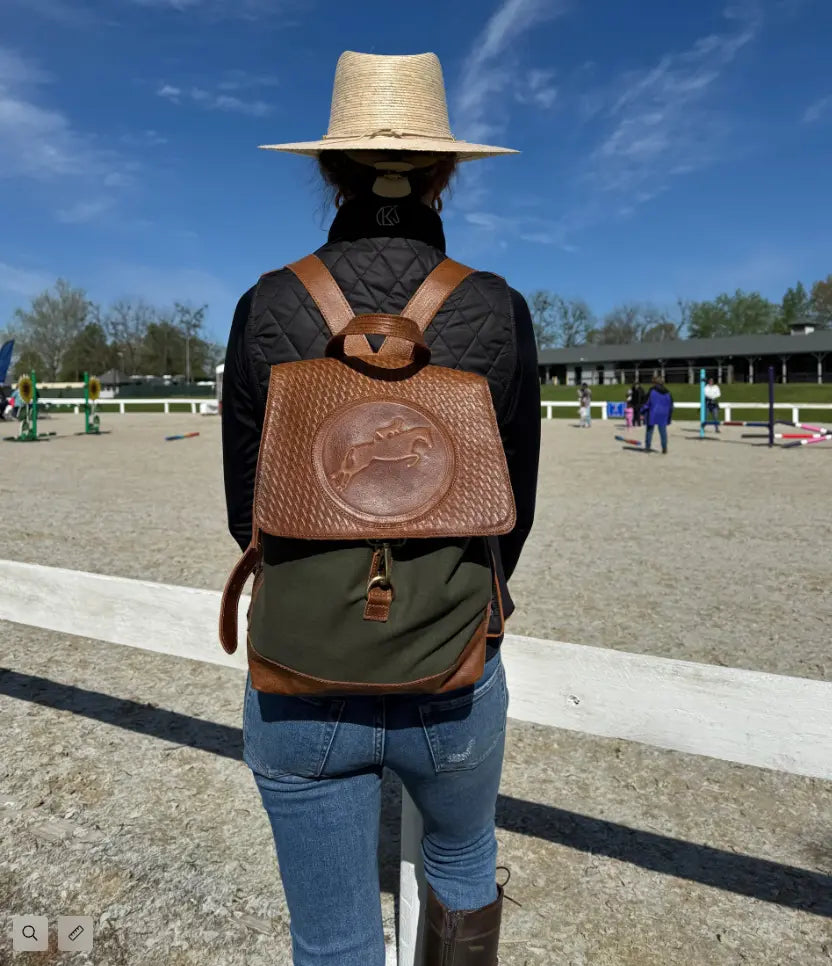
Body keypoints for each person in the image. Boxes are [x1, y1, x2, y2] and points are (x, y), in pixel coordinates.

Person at [221, 51, 540, 966]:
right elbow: (512, 512)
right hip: (453, 669)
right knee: (462, 855)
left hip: (299, 673)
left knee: (332, 940)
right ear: (445, 172)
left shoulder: (265, 304)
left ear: (329, 168)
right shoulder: (498, 307)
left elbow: (246, 507)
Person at [642, 373, 674, 453]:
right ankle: (664, 447)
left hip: (653, 412)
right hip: (663, 414)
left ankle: (647, 447)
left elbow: (647, 402)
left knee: (649, 431)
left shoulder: (652, 391)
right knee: (663, 432)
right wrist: (669, 415)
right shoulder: (668, 392)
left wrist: (642, 411)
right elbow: (671, 405)